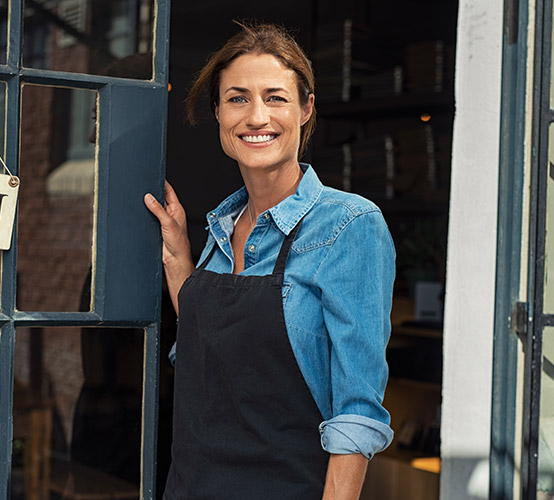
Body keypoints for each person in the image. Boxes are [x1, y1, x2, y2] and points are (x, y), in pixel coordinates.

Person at [143, 22, 395, 499]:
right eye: (237, 98)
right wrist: (179, 258)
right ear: (218, 113)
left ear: (305, 109)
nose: (257, 116)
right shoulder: (221, 226)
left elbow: (358, 411)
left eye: (276, 98)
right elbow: (214, 351)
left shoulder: (349, 226)